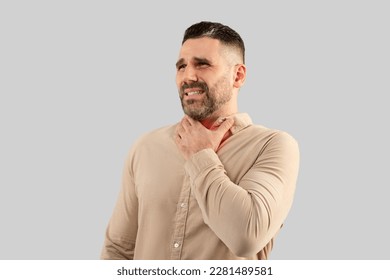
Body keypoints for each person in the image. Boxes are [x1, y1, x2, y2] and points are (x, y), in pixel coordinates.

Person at [100, 21, 300, 260]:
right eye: (181, 66)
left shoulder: (273, 146)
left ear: (238, 75)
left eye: (202, 64)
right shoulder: (146, 147)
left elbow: (247, 237)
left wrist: (201, 156)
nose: (188, 76)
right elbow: (118, 249)